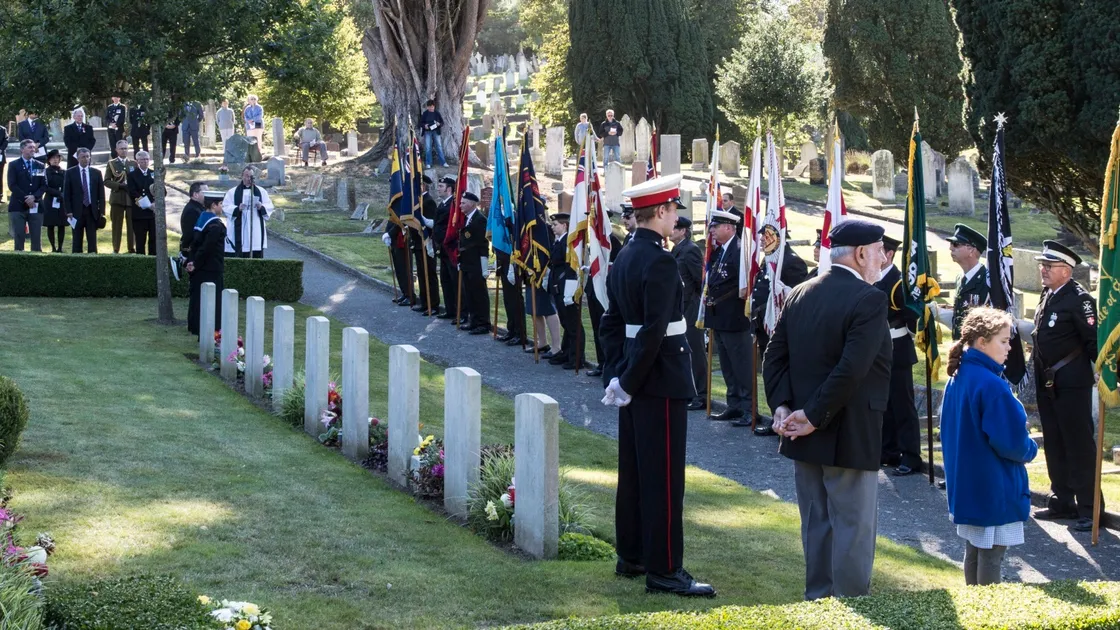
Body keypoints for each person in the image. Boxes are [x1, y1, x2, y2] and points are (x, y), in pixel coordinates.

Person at [599, 173, 715, 597]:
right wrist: (627, 379)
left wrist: (616, 375)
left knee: (634, 470)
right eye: (673, 212)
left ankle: (632, 553)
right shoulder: (661, 260)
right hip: (659, 378)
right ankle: (664, 568)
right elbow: (653, 330)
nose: (675, 219)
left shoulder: (626, 256)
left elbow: (611, 323)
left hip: (634, 376)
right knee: (664, 476)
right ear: (661, 212)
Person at [763, 219, 892, 600]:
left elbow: (774, 358)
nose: (884, 258)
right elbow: (851, 369)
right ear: (861, 253)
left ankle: (818, 602)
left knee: (817, 523)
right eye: (880, 249)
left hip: (804, 428)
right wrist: (809, 416)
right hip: (847, 430)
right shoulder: (869, 299)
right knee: (852, 527)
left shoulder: (801, 292)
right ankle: (850, 610)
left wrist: (785, 408)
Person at [941, 307, 1038, 585]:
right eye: (1004, 341)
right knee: (992, 557)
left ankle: (975, 612)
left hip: (968, 481)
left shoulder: (958, 376)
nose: (1010, 348)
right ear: (982, 342)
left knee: (974, 551)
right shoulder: (991, 385)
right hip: (992, 484)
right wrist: (1031, 448)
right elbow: (1011, 442)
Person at [1031, 240, 1100, 532]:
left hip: (1072, 383)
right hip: (1048, 382)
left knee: (1079, 446)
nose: (1043, 270)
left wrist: (1106, 374)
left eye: (1049, 266)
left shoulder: (1080, 299)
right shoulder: (1049, 295)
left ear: (1066, 271)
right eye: (1042, 265)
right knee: (1055, 443)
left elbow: (1094, 341)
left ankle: (1089, 508)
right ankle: (1063, 501)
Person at [751, 230, 809, 435]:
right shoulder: (768, 260)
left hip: (784, 330)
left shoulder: (792, 262)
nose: (762, 241)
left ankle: (789, 420)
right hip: (765, 328)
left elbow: (796, 297)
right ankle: (776, 417)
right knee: (772, 373)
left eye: (765, 237)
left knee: (785, 374)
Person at [704, 209, 757, 426]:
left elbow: (743, 286)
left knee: (741, 366)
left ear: (729, 227)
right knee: (727, 365)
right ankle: (733, 404)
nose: (712, 231)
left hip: (735, 319)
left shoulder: (740, 251)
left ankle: (748, 409)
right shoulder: (719, 252)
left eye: (716, 227)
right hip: (719, 318)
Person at [874, 235, 921, 475]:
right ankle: (888, 451)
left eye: (879, 250)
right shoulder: (872, 278)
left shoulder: (898, 283)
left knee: (903, 405)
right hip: (877, 349)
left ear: (889, 254)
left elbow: (913, 318)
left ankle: (911, 456)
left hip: (897, 346)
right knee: (885, 404)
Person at [670, 216, 706, 410]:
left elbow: (699, 281)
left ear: (684, 231)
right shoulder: (677, 249)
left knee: (696, 352)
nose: (672, 231)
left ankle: (702, 394)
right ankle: (690, 391)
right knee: (684, 352)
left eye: (676, 228)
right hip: (680, 309)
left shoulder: (690, 249)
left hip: (691, 309)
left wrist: (696, 307)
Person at [585, 221, 624, 376]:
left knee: (607, 330)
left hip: (605, 289)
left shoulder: (611, 241)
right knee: (596, 328)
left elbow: (614, 265)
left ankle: (610, 363)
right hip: (593, 288)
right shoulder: (593, 239)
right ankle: (601, 362)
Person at [186, 192, 228, 338]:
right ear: (213, 205)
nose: (222, 207)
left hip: (200, 268)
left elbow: (194, 244)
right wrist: (195, 262)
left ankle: (196, 327)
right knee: (213, 302)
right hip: (211, 268)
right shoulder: (215, 225)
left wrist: (192, 262)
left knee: (198, 299)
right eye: (220, 204)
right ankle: (212, 333)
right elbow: (207, 248)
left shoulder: (201, 219)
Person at [546, 213, 585, 367]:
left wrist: (570, 290)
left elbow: (571, 268)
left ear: (564, 225)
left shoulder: (569, 242)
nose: (552, 227)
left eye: (555, 225)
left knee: (573, 323)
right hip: (558, 285)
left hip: (567, 285)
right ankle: (567, 352)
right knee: (566, 321)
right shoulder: (559, 241)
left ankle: (577, 359)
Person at [942, 223, 989, 340]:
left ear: (971, 250)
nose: (951, 248)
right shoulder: (960, 278)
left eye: (956, 244)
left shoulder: (988, 280)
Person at [222, 166, 274, 258]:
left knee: (255, 251)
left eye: (251, 177)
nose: (248, 179)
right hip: (239, 228)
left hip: (256, 228)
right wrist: (237, 208)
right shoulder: (232, 192)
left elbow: (269, 206)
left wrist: (261, 207)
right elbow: (225, 207)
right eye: (246, 176)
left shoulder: (261, 191)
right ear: (242, 176)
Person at [458, 191, 491, 334]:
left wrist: (484, 266)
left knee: (479, 294)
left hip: (476, 263)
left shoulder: (480, 220)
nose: (460, 205)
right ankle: (474, 320)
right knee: (469, 293)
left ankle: (483, 323)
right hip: (467, 262)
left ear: (471, 204)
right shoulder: (467, 219)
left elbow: (482, 244)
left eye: (463, 203)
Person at [62, 148, 106, 254]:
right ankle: (77, 261)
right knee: (77, 240)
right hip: (76, 212)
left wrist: (102, 211)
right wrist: (68, 211)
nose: (85, 159)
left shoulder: (96, 173)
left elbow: (101, 194)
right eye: (83, 157)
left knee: (92, 240)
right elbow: (66, 194)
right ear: (77, 158)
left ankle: (93, 261)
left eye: (87, 156)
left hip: (92, 211)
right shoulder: (70, 172)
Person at [409, 175, 441, 315]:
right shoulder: (417, 201)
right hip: (417, 242)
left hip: (427, 243)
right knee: (421, 274)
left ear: (423, 186)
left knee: (430, 274)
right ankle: (424, 301)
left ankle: (433, 304)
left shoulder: (428, 202)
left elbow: (432, 224)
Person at [6, 140, 45, 251]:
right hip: (18, 206)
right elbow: (12, 185)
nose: (33, 149)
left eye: (33, 147)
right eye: (30, 147)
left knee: (36, 238)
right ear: (22, 149)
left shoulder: (40, 165)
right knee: (19, 237)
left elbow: (43, 185)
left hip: (35, 207)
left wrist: (34, 197)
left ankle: (36, 261)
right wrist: (26, 198)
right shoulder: (14, 165)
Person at [433, 176, 459, 320]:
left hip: (450, 248)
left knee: (454, 280)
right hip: (441, 249)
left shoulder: (452, 205)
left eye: (441, 186)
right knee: (445, 280)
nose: (438, 189)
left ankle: (458, 311)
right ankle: (450, 310)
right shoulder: (442, 204)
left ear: (449, 189)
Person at [104, 140, 135, 254]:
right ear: (116, 150)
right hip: (117, 198)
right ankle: (116, 248)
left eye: (126, 148)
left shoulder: (133, 163)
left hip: (130, 199)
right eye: (121, 148)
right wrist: (119, 185)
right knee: (117, 226)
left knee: (132, 225)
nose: (124, 151)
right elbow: (106, 181)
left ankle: (131, 248)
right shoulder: (112, 163)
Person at [127, 150, 157, 255]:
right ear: (137, 161)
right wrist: (149, 205)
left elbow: (162, 191)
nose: (145, 161)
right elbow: (133, 193)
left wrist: (155, 204)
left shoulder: (154, 173)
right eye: (142, 159)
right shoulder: (132, 175)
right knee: (140, 242)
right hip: (140, 214)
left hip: (153, 214)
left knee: (154, 241)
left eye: (147, 159)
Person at [384, 217, 416, 307]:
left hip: (402, 239)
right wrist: (387, 233)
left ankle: (410, 295)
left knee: (404, 269)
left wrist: (390, 233)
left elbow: (402, 221)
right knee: (399, 269)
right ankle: (405, 293)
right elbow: (391, 218)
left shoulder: (402, 205)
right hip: (394, 239)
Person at [40, 150, 67, 253]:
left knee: (61, 224)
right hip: (50, 200)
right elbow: (45, 187)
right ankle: (53, 247)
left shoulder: (64, 172)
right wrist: (58, 193)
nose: (55, 160)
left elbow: (67, 185)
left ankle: (60, 247)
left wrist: (63, 194)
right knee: (50, 224)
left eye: (57, 158)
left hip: (61, 200)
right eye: (53, 158)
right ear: (49, 160)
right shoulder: (45, 172)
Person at [180, 182, 208, 260]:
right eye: (205, 192)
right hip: (193, 253)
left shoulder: (199, 208)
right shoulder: (192, 211)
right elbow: (191, 235)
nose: (208, 195)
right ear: (195, 195)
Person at [419, 100, 448, 168]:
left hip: (436, 131)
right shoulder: (425, 113)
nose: (431, 108)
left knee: (439, 146)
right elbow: (420, 123)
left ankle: (443, 162)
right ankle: (428, 163)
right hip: (427, 131)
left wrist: (439, 124)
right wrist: (424, 125)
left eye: (432, 107)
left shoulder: (437, 113)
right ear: (427, 107)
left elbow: (442, 122)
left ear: (434, 106)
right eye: (429, 107)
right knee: (428, 147)